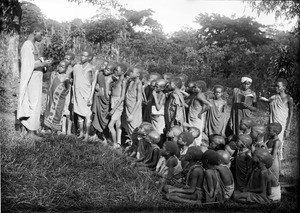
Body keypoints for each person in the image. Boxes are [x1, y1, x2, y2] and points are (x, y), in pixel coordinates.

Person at [17, 24, 52, 139]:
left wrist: (43, 63)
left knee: (35, 103)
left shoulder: (33, 45)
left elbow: (35, 62)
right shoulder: (27, 46)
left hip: (36, 78)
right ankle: (31, 132)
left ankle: (30, 129)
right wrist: (44, 64)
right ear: (35, 31)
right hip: (31, 78)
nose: (42, 36)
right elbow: (29, 65)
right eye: (41, 34)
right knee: (33, 103)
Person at [259, 78, 293, 160]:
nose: (276, 88)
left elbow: (291, 113)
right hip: (271, 124)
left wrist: (287, 129)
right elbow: (268, 101)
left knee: (278, 143)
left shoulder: (289, 98)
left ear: (284, 87)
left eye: (278, 86)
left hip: (281, 125)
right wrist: (261, 98)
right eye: (275, 86)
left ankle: (278, 163)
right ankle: (266, 159)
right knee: (268, 141)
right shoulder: (274, 97)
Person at [73, 50, 94, 141]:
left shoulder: (91, 68)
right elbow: (74, 80)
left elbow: (93, 83)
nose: (82, 57)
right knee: (79, 114)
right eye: (81, 55)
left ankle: (87, 135)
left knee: (87, 115)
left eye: (85, 56)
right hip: (78, 93)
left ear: (89, 58)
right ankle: (81, 133)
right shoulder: (77, 66)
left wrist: (91, 97)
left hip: (87, 94)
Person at [44, 60, 70, 134]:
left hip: (60, 99)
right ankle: (49, 127)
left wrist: (61, 93)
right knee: (50, 110)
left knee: (58, 112)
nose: (61, 68)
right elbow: (50, 85)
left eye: (63, 67)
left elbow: (67, 89)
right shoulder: (53, 74)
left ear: (66, 68)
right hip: (52, 97)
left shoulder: (66, 78)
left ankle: (57, 128)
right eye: (60, 66)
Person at [89, 61, 113, 142]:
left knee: (105, 118)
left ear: (112, 71)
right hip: (98, 98)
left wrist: (108, 91)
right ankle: (95, 134)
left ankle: (104, 136)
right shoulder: (100, 74)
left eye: (108, 70)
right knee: (96, 116)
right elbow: (94, 83)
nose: (106, 70)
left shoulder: (113, 78)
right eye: (105, 69)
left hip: (106, 102)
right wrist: (96, 87)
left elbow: (114, 89)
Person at [108, 63, 128, 148]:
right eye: (114, 69)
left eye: (117, 70)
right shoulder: (116, 80)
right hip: (114, 102)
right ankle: (118, 142)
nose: (114, 71)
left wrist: (113, 109)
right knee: (117, 123)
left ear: (122, 72)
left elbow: (122, 97)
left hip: (118, 105)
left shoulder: (123, 81)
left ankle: (115, 144)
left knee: (110, 125)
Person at [188, 80, 212, 146]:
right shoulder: (197, 95)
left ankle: (196, 148)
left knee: (195, 134)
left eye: (195, 87)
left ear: (200, 89)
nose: (193, 88)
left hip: (196, 118)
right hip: (193, 117)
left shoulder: (199, 96)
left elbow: (209, 105)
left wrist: (200, 113)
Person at [124, 66, 143, 136]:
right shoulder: (131, 82)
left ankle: (136, 145)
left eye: (132, 72)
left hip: (134, 111)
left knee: (135, 129)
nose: (130, 73)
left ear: (138, 74)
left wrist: (132, 115)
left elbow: (139, 101)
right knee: (129, 128)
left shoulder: (139, 84)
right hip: (128, 109)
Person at [63, 52, 76, 135]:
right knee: (63, 110)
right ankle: (63, 129)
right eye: (65, 58)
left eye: (68, 59)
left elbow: (75, 81)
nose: (66, 60)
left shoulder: (73, 69)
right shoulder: (62, 67)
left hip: (70, 91)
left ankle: (69, 130)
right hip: (63, 91)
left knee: (69, 110)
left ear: (72, 61)